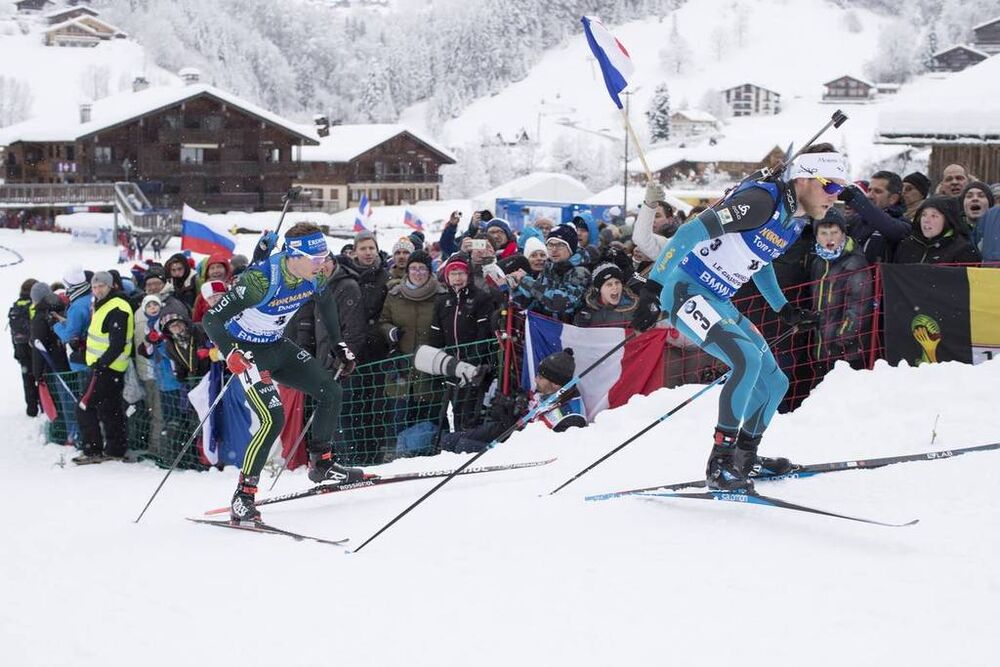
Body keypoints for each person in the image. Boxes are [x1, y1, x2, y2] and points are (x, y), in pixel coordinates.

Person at [630, 145, 843, 491]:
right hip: (685, 290)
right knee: (745, 360)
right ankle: (720, 462)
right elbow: (689, 233)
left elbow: (761, 259)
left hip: (718, 298)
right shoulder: (761, 201)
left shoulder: (793, 221)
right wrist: (653, 289)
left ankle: (745, 459)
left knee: (776, 383)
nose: (835, 197)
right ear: (804, 178)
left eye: (841, 190)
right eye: (830, 186)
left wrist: (783, 308)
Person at [202, 223, 360, 523]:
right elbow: (212, 319)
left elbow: (326, 303)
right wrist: (231, 352)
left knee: (331, 391)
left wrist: (339, 344)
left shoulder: (315, 275)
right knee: (273, 418)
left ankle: (321, 463)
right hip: (248, 352)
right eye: (315, 259)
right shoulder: (260, 282)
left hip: (276, 345)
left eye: (324, 257)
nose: (322, 265)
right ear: (293, 256)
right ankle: (243, 496)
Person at [440, 348, 585, 454]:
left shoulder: (570, 415)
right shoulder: (548, 393)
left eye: (540, 377)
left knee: (463, 447)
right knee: (450, 440)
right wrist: (510, 409)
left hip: (521, 454)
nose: (535, 380)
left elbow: (544, 449)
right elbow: (522, 421)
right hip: (512, 438)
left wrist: (513, 422)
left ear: (556, 384)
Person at [76, 272, 134, 463]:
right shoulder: (102, 305)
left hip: (106, 367)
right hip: (108, 367)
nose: (97, 289)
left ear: (111, 286)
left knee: (84, 406)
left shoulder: (117, 306)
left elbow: (117, 342)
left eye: (101, 286)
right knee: (110, 408)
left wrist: (102, 363)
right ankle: (116, 449)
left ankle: (92, 450)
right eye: (94, 286)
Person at [805, 208, 872, 369]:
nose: (829, 238)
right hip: (822, 345)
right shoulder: (818, 261)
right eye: (823, 233)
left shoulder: (854, 262)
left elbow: (859, 306)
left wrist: (842, 337)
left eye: (834, 232)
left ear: (843, 233)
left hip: (845, 351)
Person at [509, 224, 592, 322]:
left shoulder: (580, 272)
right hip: (550, 329)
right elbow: (537, 305)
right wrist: (517, 289)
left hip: (572, 331)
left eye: (560, 245)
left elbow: (562, 304)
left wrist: (526, 281)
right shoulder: (549, 267)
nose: (554, 249)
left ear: (571, 248)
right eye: (550, 244)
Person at [842, 170, 910, 263]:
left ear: (893, 199)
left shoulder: (904, 225)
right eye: (869, 190)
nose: (869, 195)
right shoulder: (856, 221)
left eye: (877, 191)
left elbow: (887, 226)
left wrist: (853, 198)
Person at [893, 197, 981, 265]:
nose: (926, 220)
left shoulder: (963, 250)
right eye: (924, 215)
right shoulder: (906, 245)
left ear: (947, 220)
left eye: (934, 216)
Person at [574, 262, 638, 327]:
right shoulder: (588, 310)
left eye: (617, 282)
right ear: (598, 289)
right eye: (609, 284)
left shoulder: (635, 308)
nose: (615, 287)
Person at [10, 279, 39, 416]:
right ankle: (44, 404)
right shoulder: (32, 305)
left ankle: (31, 408)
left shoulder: (16, 306)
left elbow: (13, 331)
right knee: (40, 376)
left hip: (20, 347)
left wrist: (16, 350)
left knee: (27, 379)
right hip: (33, 347)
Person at [960, 181, 995, 246]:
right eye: (969, 196)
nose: (975, 199)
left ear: (989, 205)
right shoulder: (954, 234)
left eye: (981, 196)